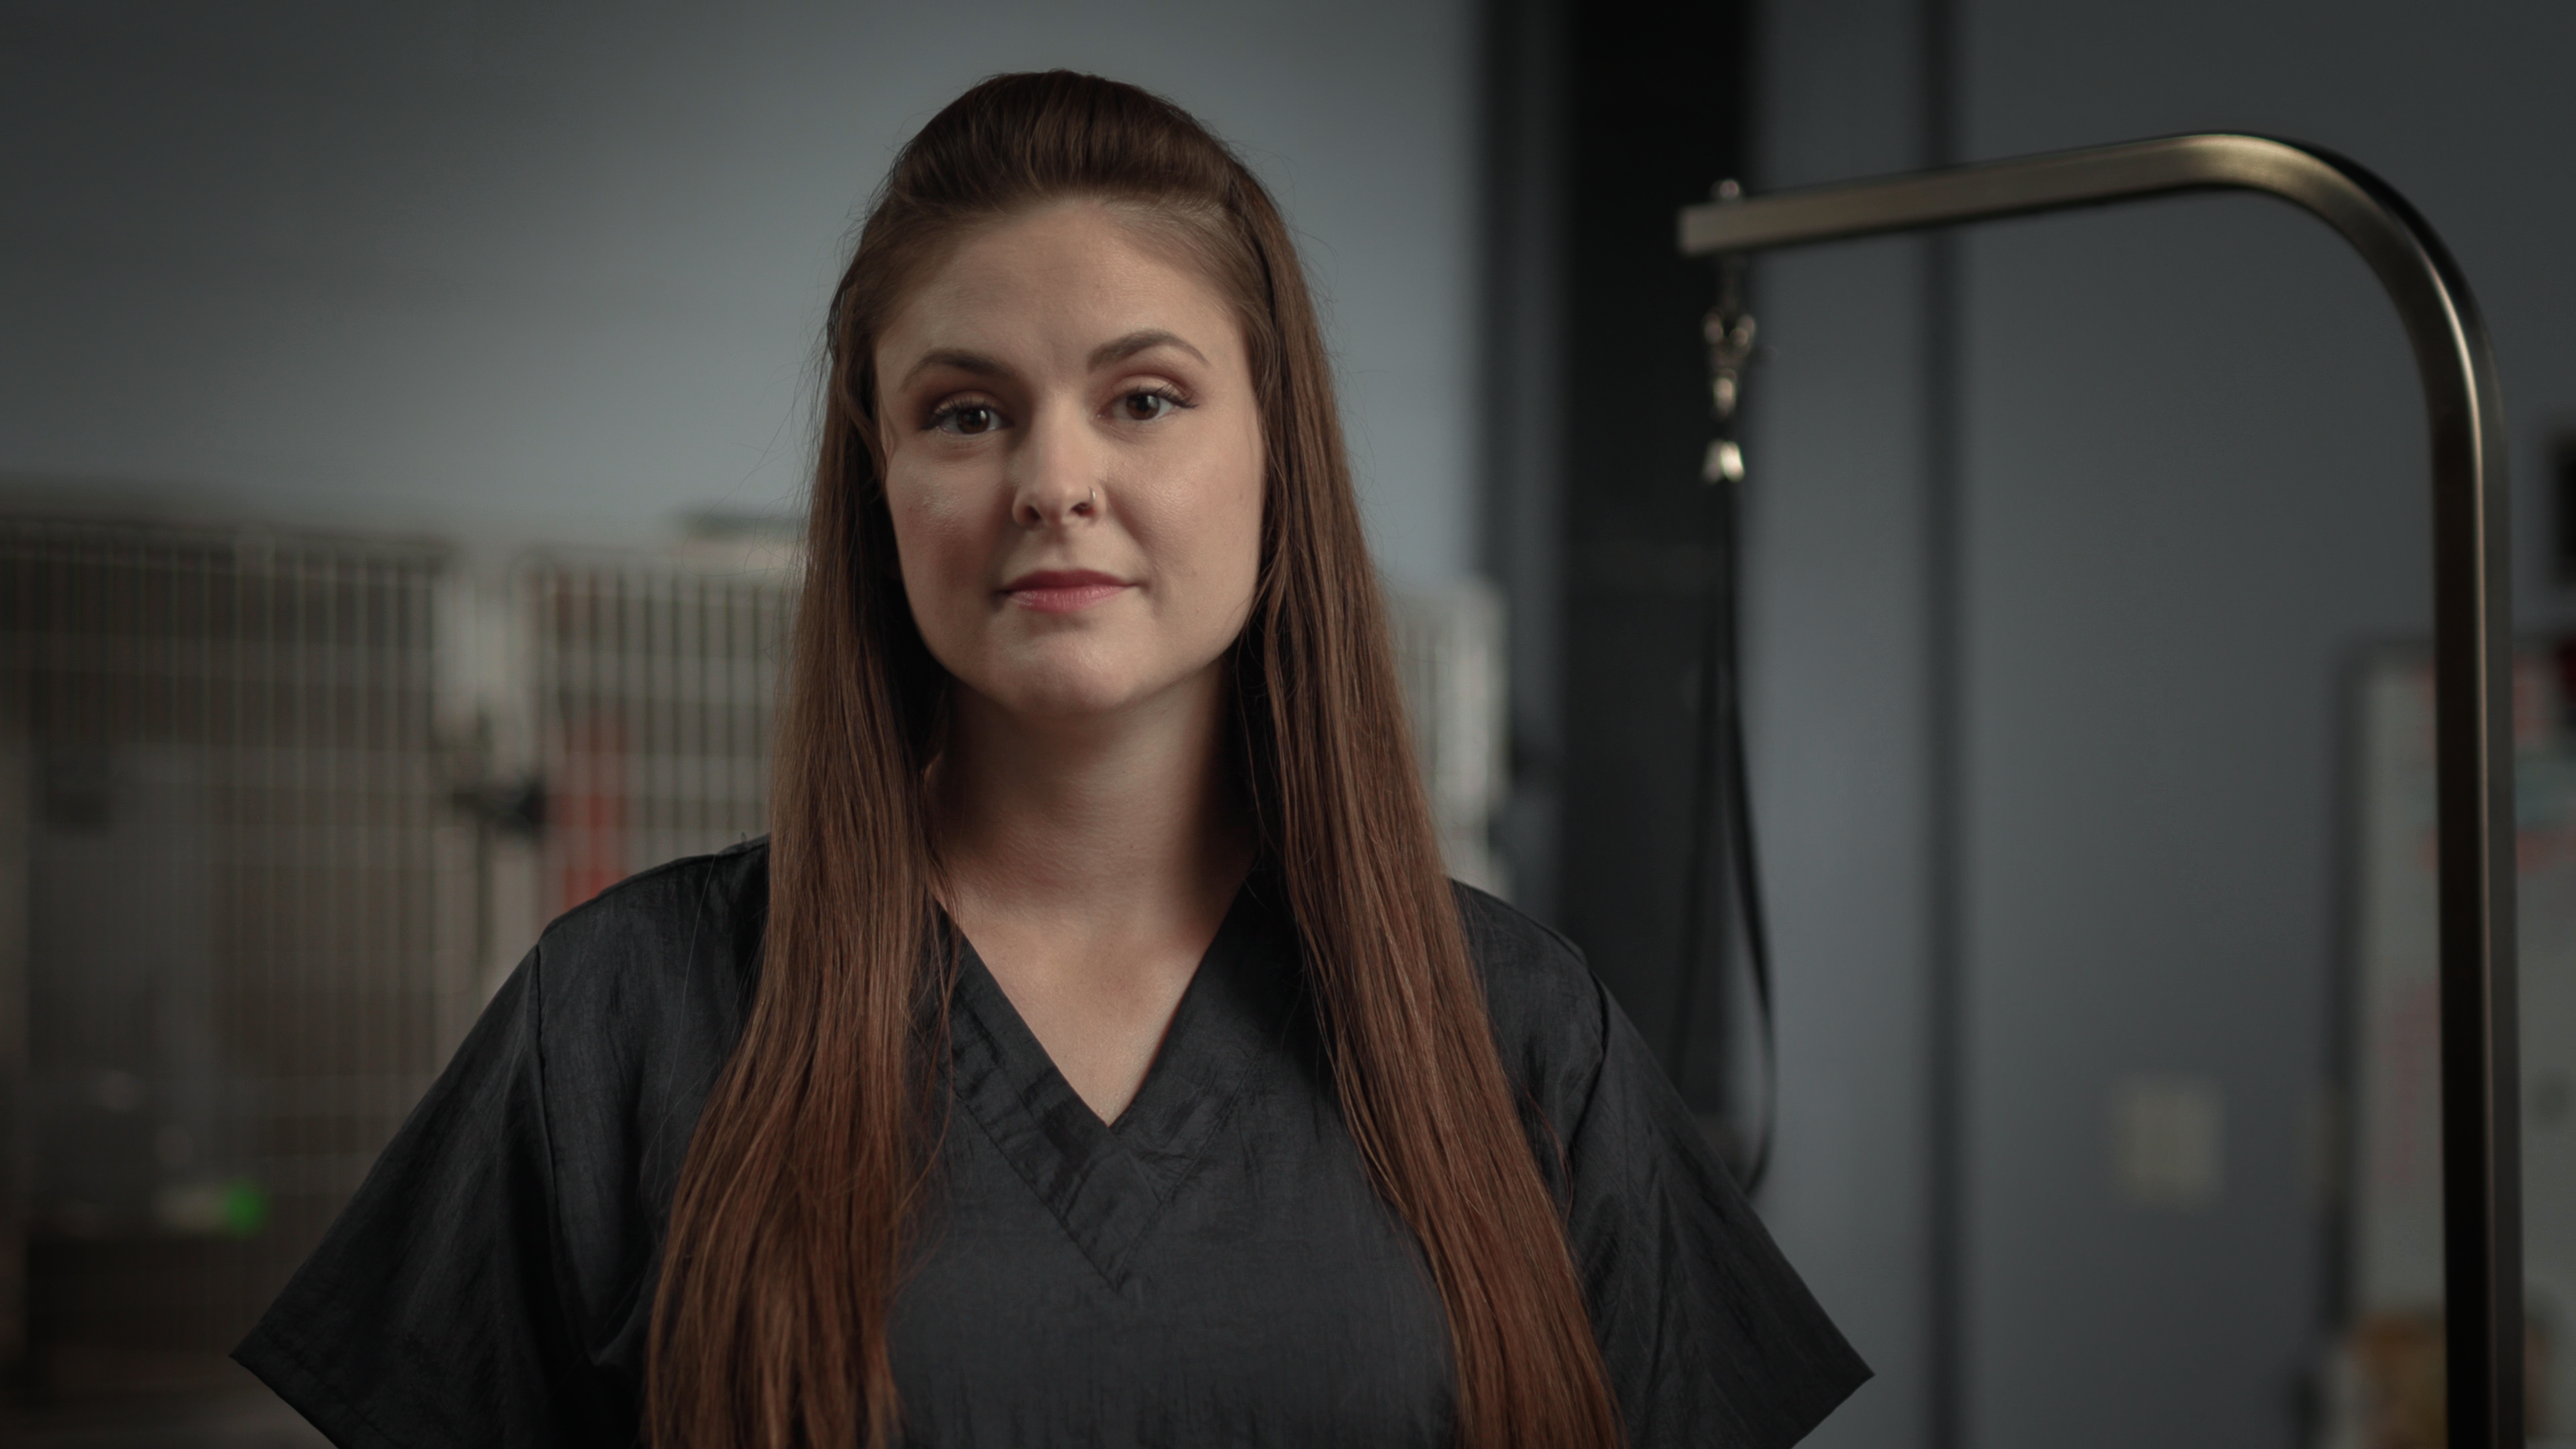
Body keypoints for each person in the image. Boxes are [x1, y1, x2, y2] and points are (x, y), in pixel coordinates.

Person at [235, 70, 1868, 1449]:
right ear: (880, 489)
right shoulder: (624, 1017)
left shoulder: (1520, 1033)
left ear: (1277, 464)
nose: (1055, 479)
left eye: (1145, 397)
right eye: (965, 413)